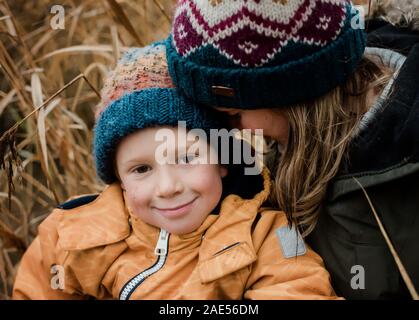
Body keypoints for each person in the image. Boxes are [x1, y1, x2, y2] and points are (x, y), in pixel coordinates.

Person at [12, 41, 339, 300]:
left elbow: (299, 288)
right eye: (141, 169)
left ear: (222, 160)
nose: (167, 187)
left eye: (185, 159)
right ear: (120, 181)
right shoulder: (73, 231)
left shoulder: (269, 232)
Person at [165, 0, 419, 299]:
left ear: (295, 95)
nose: (229, 129)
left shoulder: (406, 169)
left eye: (233, 113)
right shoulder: (289, 144)